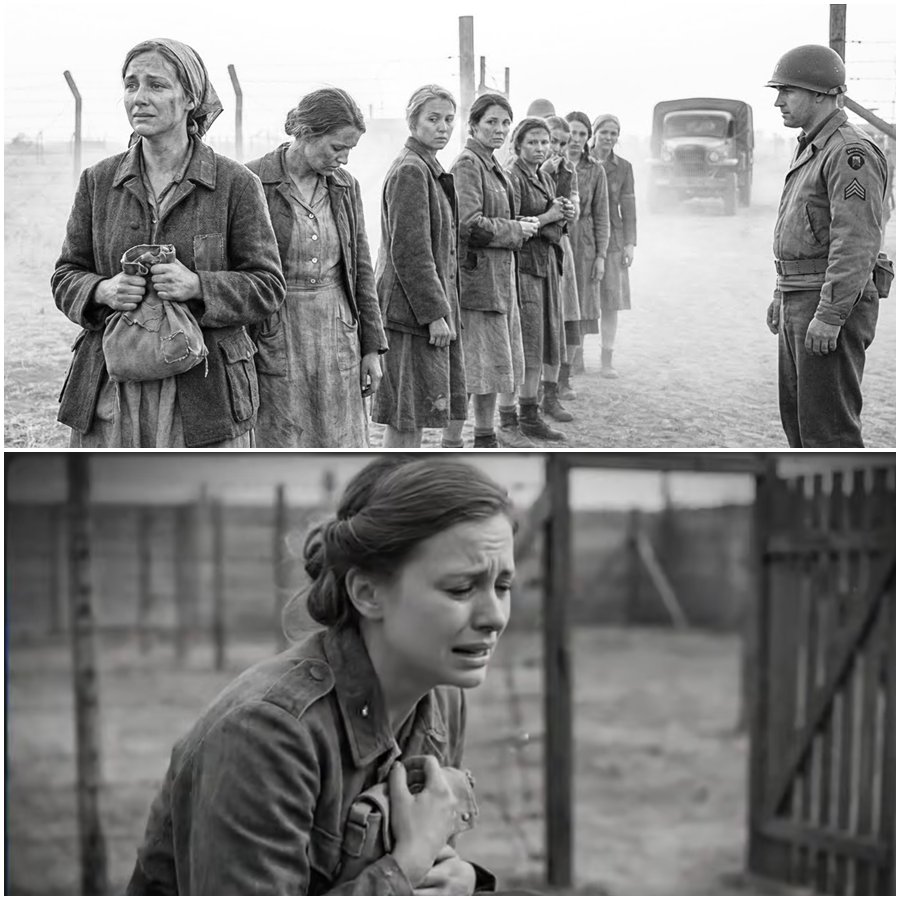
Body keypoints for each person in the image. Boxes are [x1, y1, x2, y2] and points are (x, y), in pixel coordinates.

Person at [126, 456, 514, 894]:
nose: (495, 617)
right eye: (461, 588)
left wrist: (462, 880)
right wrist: (404, 870)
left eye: (503, 586)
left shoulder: (441, 696)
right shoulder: (266, 733)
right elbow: (414, 861)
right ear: (368, 593)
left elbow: (435, 862)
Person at [51, 38, 285, 447]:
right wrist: (102, 290)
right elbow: (65, 275)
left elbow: (267, 286)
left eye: (156, 85)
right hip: (112, 387)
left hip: (203, 393)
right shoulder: (98, 181)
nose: (138, 98)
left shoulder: (235, 184)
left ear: (191, 97)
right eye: (130, 85)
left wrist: (199, 286)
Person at [247, 88, 387, 447]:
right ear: (307, 132)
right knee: (280, 434)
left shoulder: (344, 186)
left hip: (337, 329)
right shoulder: (252, 182)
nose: (343, 159)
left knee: (339, 434)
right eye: (336, 148)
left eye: (349, 150)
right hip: (277, 329)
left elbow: (360, 269)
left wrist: (371, 347)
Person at [765, 44, 887, 447]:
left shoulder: (849, 152)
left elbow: (856, 242)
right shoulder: (812, 146)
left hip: (827, 303)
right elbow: (803, 231)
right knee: (800, 427)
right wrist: (781, 293)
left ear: (820, 94)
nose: (779, 101)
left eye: (788, 91)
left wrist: (831, 315)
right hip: (801, 297)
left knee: (829, 432)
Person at [371, 85, 466, 448]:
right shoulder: (411, 171)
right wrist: (433, 314)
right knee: (406, 412)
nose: (443, 127)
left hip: (419, 311)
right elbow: (410, 251)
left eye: (448, 119)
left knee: (419, 408)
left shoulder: (428, 166)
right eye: (433, 119)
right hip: (408, 315)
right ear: (412, 123)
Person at [449, 93, 538, 448]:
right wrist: (516, 230)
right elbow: (469, 225)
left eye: (505, 123)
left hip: (498, 281)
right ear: (473, 125)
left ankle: (485, 439)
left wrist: (518, 224)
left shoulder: (492, 163)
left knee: (491, 370)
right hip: (477, 285)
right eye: (491, 123)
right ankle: (451, 445)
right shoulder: (468, 164)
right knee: (472, 372)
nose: (500, 130)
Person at [505, 117, 575, 438]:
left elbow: (554, 229)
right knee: (527, 344)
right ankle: (515, 417)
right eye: (532, 142)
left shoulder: (543, 179)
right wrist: (549, 217)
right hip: (522, 268)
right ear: (518, 144)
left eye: (544, 142)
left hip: (545, 265)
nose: (541, 148)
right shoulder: (513, 178)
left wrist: (561, 217)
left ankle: (530, 413)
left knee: (543, 339)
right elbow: (515, 225)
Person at [590, 114, 637, 379]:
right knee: (584, 300)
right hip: (585, 237)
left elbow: (628, 205)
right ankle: (573, 360)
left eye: (614, 133)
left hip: (614, 241)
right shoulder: (580, 162)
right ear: (594, 134)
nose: (608, 138)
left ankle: (606, 358)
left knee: (611, 301)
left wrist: (629, 243)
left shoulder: (624, 168)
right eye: (604, 132)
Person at [564, 111, 610, 374]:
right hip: (558, 235)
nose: (576, 139)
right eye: (572, 132)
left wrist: (601, 255)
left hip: (586, 241)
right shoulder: (551, 163)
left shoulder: (595, 169)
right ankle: (558, 360)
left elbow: (602, 215)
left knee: (582, 297)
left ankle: (576, 356)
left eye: (582, 134)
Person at [542, 116, 581, 401]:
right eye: (551, 141)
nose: (555, 148)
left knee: (565, 313)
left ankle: (559, 383)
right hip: (533, 247)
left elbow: (574, 212)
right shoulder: (523, 167)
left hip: (560, 244)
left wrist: (570, 208)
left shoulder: (568, 170)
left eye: (561, 143)